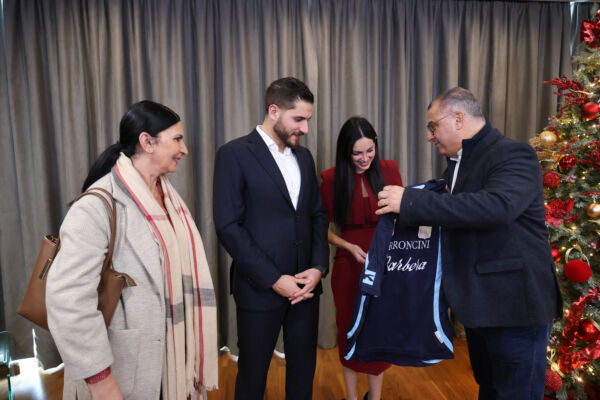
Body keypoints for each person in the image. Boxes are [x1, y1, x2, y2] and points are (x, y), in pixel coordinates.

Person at [376, 87, 562, 399]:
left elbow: (496, 206)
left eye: (433, 126)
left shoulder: (513, 154)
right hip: (481, 308)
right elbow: (456, 215)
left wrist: (410, 201)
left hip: (515, 308)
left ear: (459, 119)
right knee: (489, 390)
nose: (429, 136)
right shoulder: (458, 163)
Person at [46, 100, 218, 400]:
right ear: (147, 142)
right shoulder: (95, 206)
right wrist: (100, 380)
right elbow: (67, 300)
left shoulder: (169, 198)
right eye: (177, 139)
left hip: (172, 366)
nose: (185, 149)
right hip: (121, 372)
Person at [213, 77, 329, 400]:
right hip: (258, 288)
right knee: (252, 376)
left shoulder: (304, 158)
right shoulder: (233, 154)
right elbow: (228, 226)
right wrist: (275, 279)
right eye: (299, 119)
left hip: (306, 288)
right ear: (274, 110)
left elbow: (317, 215)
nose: (305, 128)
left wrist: (318, 267)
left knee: (303, 372)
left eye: (308, 119)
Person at [319, 117, 403, 400]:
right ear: (345, 151)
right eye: (357, 153)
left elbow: (404, 216)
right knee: (350, 331)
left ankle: (374, 398)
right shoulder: (331, 179)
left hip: (385, 263)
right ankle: (352, 397)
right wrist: (347, 245)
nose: (365, 158)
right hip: (349, 264)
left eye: (370, 150)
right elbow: (319, 229)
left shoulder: (390, 170)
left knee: (380, 330)